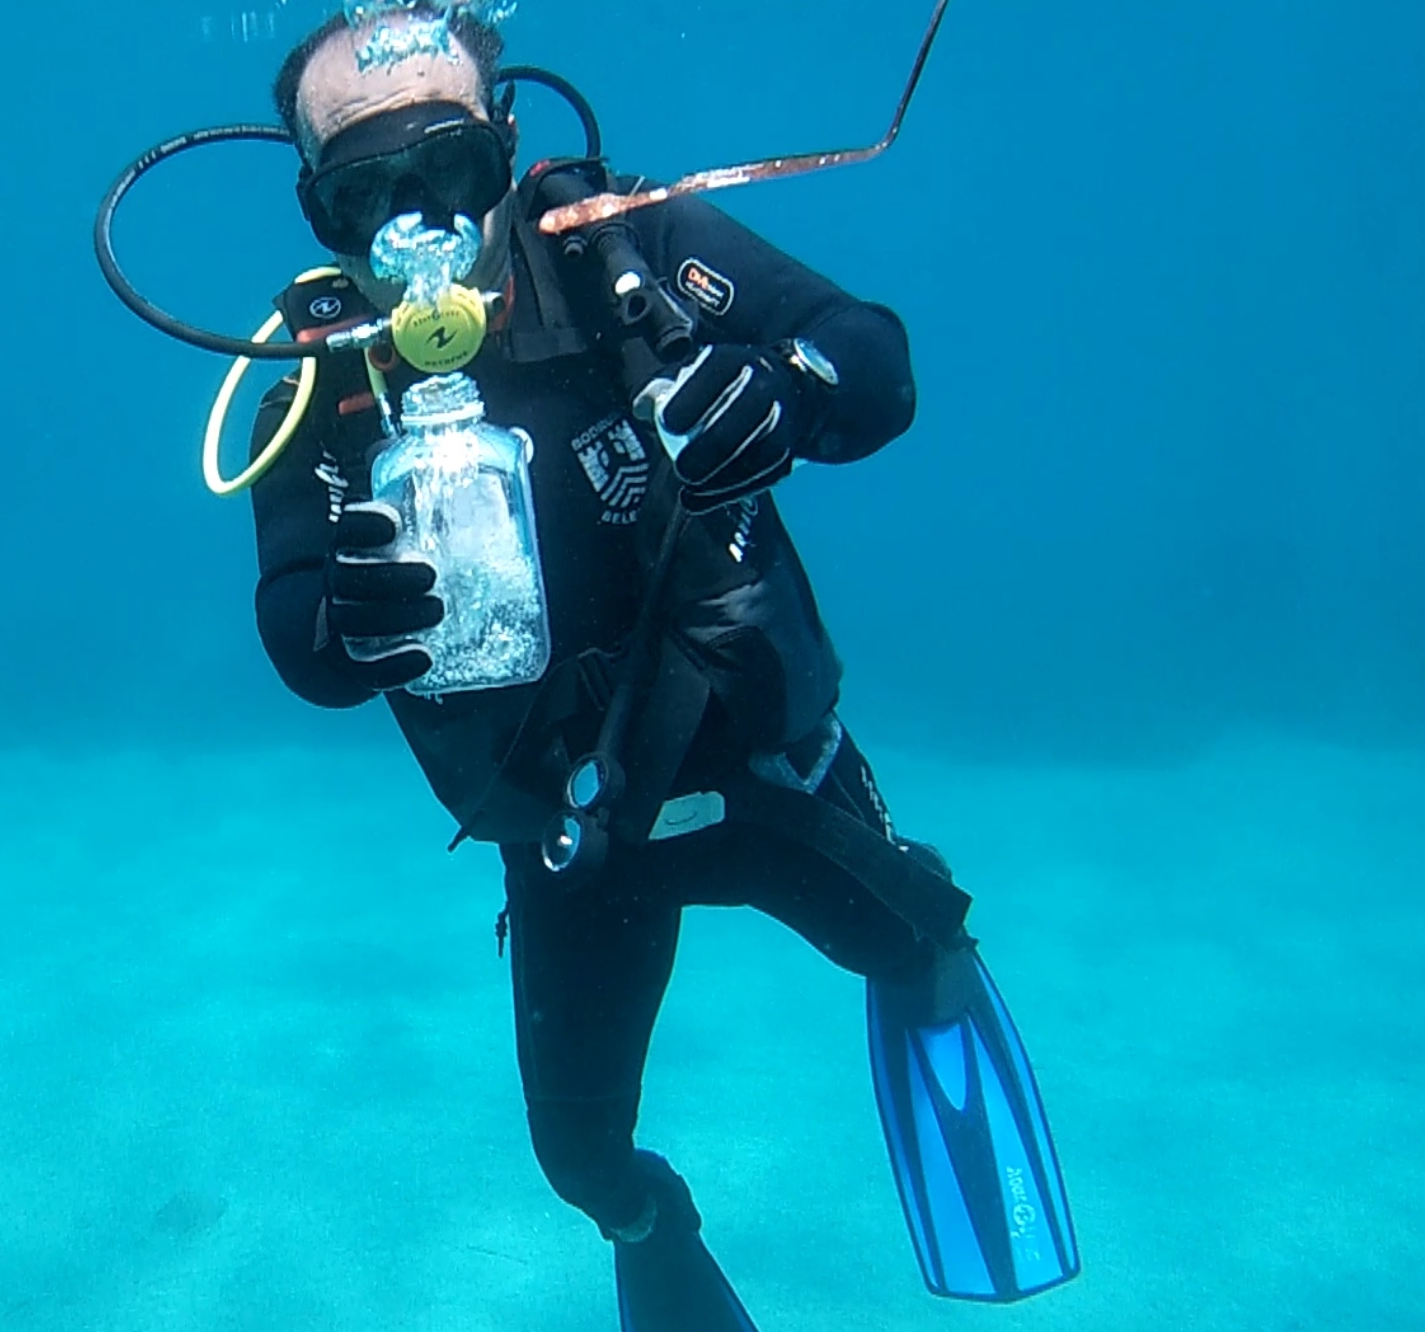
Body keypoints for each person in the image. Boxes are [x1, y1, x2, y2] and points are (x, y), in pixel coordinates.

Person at [236, 8, 1080, 1330]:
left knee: (915, 938)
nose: (418, 226)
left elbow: (876, 362)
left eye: (449, 170)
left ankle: (927, 969)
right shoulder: (319, 359)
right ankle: (652, 1224)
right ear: (317, 213)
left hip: (760, 770)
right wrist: (342, 627)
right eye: (365, 193)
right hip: (575, 842)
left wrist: (790, 389)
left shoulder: (634, 247)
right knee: (580, 1162)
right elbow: (295, 623)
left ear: (508, 149)